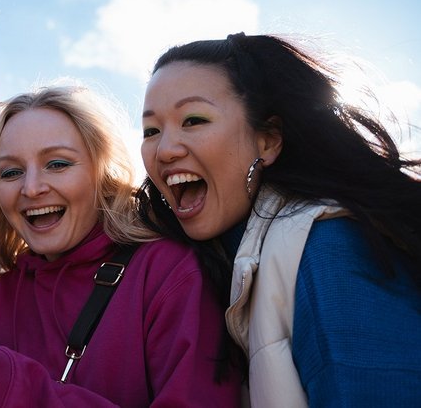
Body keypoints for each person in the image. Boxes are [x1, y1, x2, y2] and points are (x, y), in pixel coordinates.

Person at [0, 84, 242, 406]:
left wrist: (5, 382)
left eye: (58, 164)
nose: (32, 188)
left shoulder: (167, 272)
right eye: (11, 172)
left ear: (102, 172)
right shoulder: (6, 292)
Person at [138, 33, 421, 407]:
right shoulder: (218, 265)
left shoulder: (325, 249)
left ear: (268, 141)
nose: (165, 149)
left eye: (193, 120)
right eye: (151, 131)